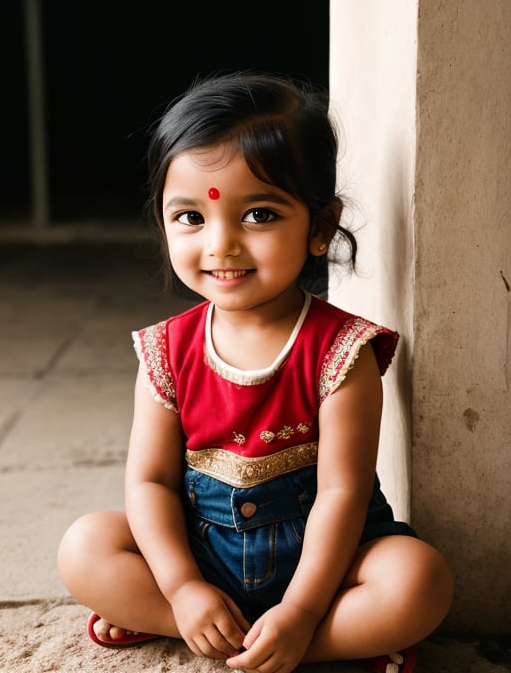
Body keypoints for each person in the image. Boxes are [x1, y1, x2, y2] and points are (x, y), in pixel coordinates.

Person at [58, 72, 453, 673]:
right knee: (86, 546)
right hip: (203, 558)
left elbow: (342, 494)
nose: (221, 245)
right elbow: (151, 484)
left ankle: (291, 639)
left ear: (320, 227)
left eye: (259, 214)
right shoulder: (166, 351)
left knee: (419, 580)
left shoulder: (343, 354)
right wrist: (182, 588)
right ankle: (196, 624)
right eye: (190, 217)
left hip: (327, 563)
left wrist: (300, 609)